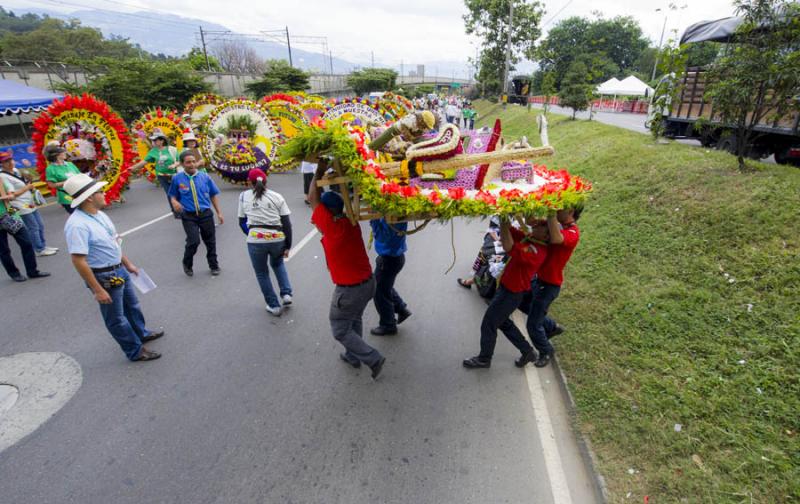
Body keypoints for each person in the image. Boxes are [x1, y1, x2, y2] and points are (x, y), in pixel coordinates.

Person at [64, 173, 163, 362]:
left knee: (132, 305)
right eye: (100, 191)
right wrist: (97, 289)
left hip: (119, 269)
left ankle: (140, 333)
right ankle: (135, 350)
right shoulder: (77, 225)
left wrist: (127, 264)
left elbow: (113, 242)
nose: (104, 193)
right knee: (116, 318)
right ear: (90, 197)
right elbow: (78, 260)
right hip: (104, 275)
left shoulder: (99, 214)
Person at [309, 160, 386, 380]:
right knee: (354, 319)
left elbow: (312, 198)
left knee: (340, 328)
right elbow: (318, 202)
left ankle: (372, 357)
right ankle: (354, 356)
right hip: (368, 284)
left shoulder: (331, 227)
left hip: (350, 290)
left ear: (328, 211)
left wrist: (320, 170)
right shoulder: (349, 223)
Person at [463, 217, 549, 369]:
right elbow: (511, 231)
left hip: (511, 293)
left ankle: (484, 358)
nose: (536, 225)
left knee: (489, 323)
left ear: (547, 235)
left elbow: (509, 246)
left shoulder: (537, 250)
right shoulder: (532, 240)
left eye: (541, 225)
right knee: (502, 322)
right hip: (506, 288)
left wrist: (503, 222)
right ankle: (527, 351)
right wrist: (506, 216)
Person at [524, 206, 582, 368]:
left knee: (533, 325)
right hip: (538, 279)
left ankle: (546, 351)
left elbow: (556, 239)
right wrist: (527, 203)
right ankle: (551, 327)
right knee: (522, 302)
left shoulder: (572, 233)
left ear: (571, 212)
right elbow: (531, 223)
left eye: (560, 209)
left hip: (549, 285)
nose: (556, 211)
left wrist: (550, 212)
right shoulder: (556, 224)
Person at [237, 168, 293, 316]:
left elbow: (242, 222)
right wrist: (288, 245)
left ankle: (273, 306)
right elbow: (286, 223)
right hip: (277, 239)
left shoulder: (243, 197)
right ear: (266, 181)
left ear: (249, 182)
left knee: (262, 273)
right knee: (278, 263)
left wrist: (253, 233)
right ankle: (286, 294)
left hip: (256, 241)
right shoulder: (277, 196)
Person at [169, 151, 224, 277]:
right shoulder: (177, 179)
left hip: (205, 214)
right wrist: (174, 202)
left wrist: (219, 213)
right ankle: (187, 263)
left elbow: (213, 195)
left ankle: (214, 265)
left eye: (193, 161)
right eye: (188, 162)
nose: (192, 164)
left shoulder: (205, 177)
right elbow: (172, 195)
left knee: (210, 242)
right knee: (193, 241)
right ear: (182, 164)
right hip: (188, 215)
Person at [0, 151, 57, 257]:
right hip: (19, 205)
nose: (10, 163)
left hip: (29, 202)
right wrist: (27, 187)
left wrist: (28, 179)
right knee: (33, 227)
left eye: (10, 160)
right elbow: (12, 194)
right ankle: (39, 249)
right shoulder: (3, 176)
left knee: (40, 225)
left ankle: (43, 245)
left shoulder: (16, 171)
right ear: (1, 164)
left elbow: (25, 182)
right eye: (6, 161)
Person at [0, 182, 50, 282]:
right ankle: (14, 273)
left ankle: (32, 271)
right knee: (3, 250)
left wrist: (10, 195)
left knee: (27, 243)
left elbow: (11, 194)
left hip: (9, 210)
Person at [369, 218, 412, 336]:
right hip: (394, 257)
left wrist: (374, 220)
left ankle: (388, 325)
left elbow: (383, 237)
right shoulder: (397, 209)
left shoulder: (393, 214)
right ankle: (400, 308)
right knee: (384, 286)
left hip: (389, 259)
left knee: (378, 291)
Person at [130, 129, 179, 215]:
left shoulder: (172, 149)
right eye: (153, 140)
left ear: (162, 140)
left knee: (178, 191)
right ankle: (175, 211)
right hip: (161, 176)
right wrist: (133, 168)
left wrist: (174, 165)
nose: (154, 142)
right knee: (169, 192)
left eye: (156, 140)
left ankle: (181, 207)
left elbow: (179, 160)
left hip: (174, 175)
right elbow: (144, 162)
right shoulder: (153, 152)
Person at [44, 143, 82, 214]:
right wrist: (67, 182)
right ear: (56, 155)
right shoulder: (50, 169)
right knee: (77, 215)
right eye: (62, 152)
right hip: (66, 196)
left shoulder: (70, 164)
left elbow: (79, 175)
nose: (65, 153)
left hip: (78, 192)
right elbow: (51, 185)